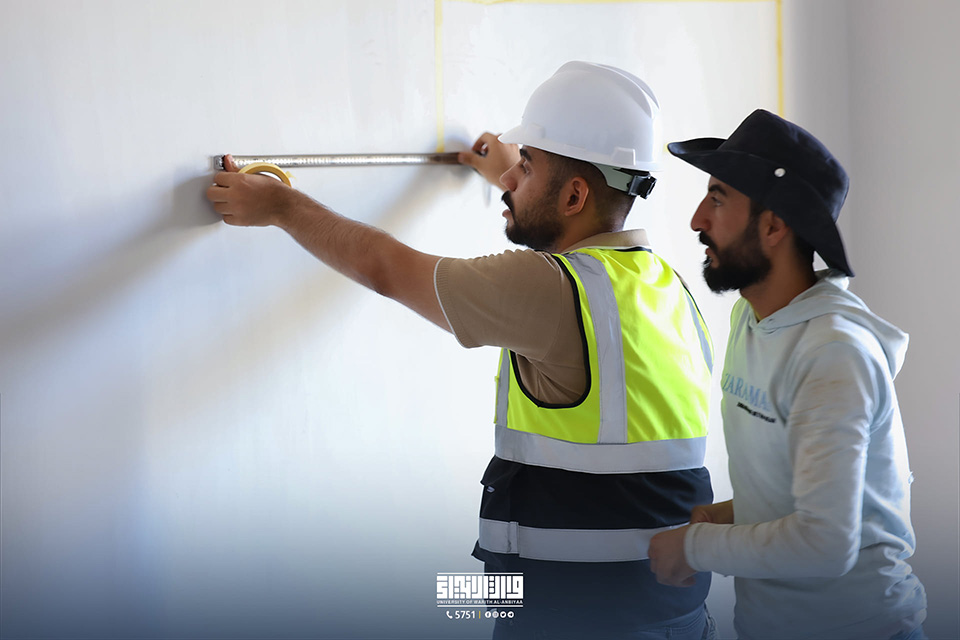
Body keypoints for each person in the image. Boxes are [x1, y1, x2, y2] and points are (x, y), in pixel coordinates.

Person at [207, 61, 716, 639]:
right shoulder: (665, 287)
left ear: (574, 195)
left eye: (529, 165)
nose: (514, 176)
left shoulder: (550, 288)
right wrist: (518, 181)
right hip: (667, 613)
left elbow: (386, 269)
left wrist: (281, 207)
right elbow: (565, 224)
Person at [647, 109, 928, 640]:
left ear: (773, 226)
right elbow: (809, 496)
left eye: (718, 199)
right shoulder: (750, 319)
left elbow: (825, 544)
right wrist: (727, 516)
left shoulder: (834, 354)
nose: (697, 220)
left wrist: (694, 548)